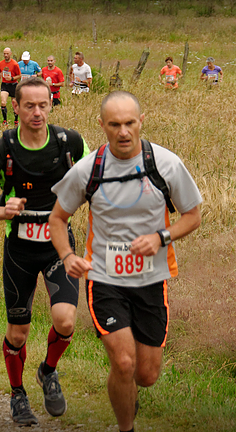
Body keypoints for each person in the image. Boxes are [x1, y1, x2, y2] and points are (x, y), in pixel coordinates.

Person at [49, 91, 202, 432]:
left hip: (152, 279)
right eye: (115, 124)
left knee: (145, 375)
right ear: (101, 125)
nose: (123, 132)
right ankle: (125, 428)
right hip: (105, 278)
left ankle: (129, 391)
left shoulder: (165, 164)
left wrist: (160, 237)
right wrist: (67, 255)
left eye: (130, 123)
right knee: (123, 362)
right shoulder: (89, 169)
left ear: (141, 122)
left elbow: (193, 216)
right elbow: (57, 218)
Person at [0, 78, 90, 426]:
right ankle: (17, 394)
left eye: (43, 105)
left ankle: (48, 371)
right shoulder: (1, 150)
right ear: (16, 107)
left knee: (65, 320)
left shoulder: (70, 143)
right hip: (19, 250)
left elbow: (97, 181)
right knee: (18, 332)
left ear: (51, 105)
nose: (37, 112)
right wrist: (4, 211)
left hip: (58, 247)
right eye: (29, 106)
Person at [0, 47, 21, 127]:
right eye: (4, 54)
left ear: (10, 54)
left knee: (15, 104)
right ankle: (5, 120)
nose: (6, 55)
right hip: (5, 84)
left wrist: (12, 78)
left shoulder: (15, 64)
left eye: (7, 53)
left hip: (13, 85)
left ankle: (16, 120)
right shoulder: (0, 63)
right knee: (3, 102)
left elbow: (19, 75)